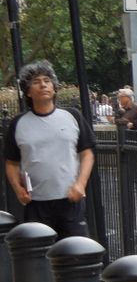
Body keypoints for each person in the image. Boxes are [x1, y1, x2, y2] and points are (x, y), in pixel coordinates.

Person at [3, 60, 95, 239]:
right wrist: (17, 189)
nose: (43, 85)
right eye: (36, 82)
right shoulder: (18, 123)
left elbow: (87, 154)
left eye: (47, 80)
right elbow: (11, 163)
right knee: (40, 259)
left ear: (54, 88)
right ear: (28, 92)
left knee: (75, 254)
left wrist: (80, 184)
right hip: (36, 203)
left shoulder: (72, 116)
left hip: (70, 201)